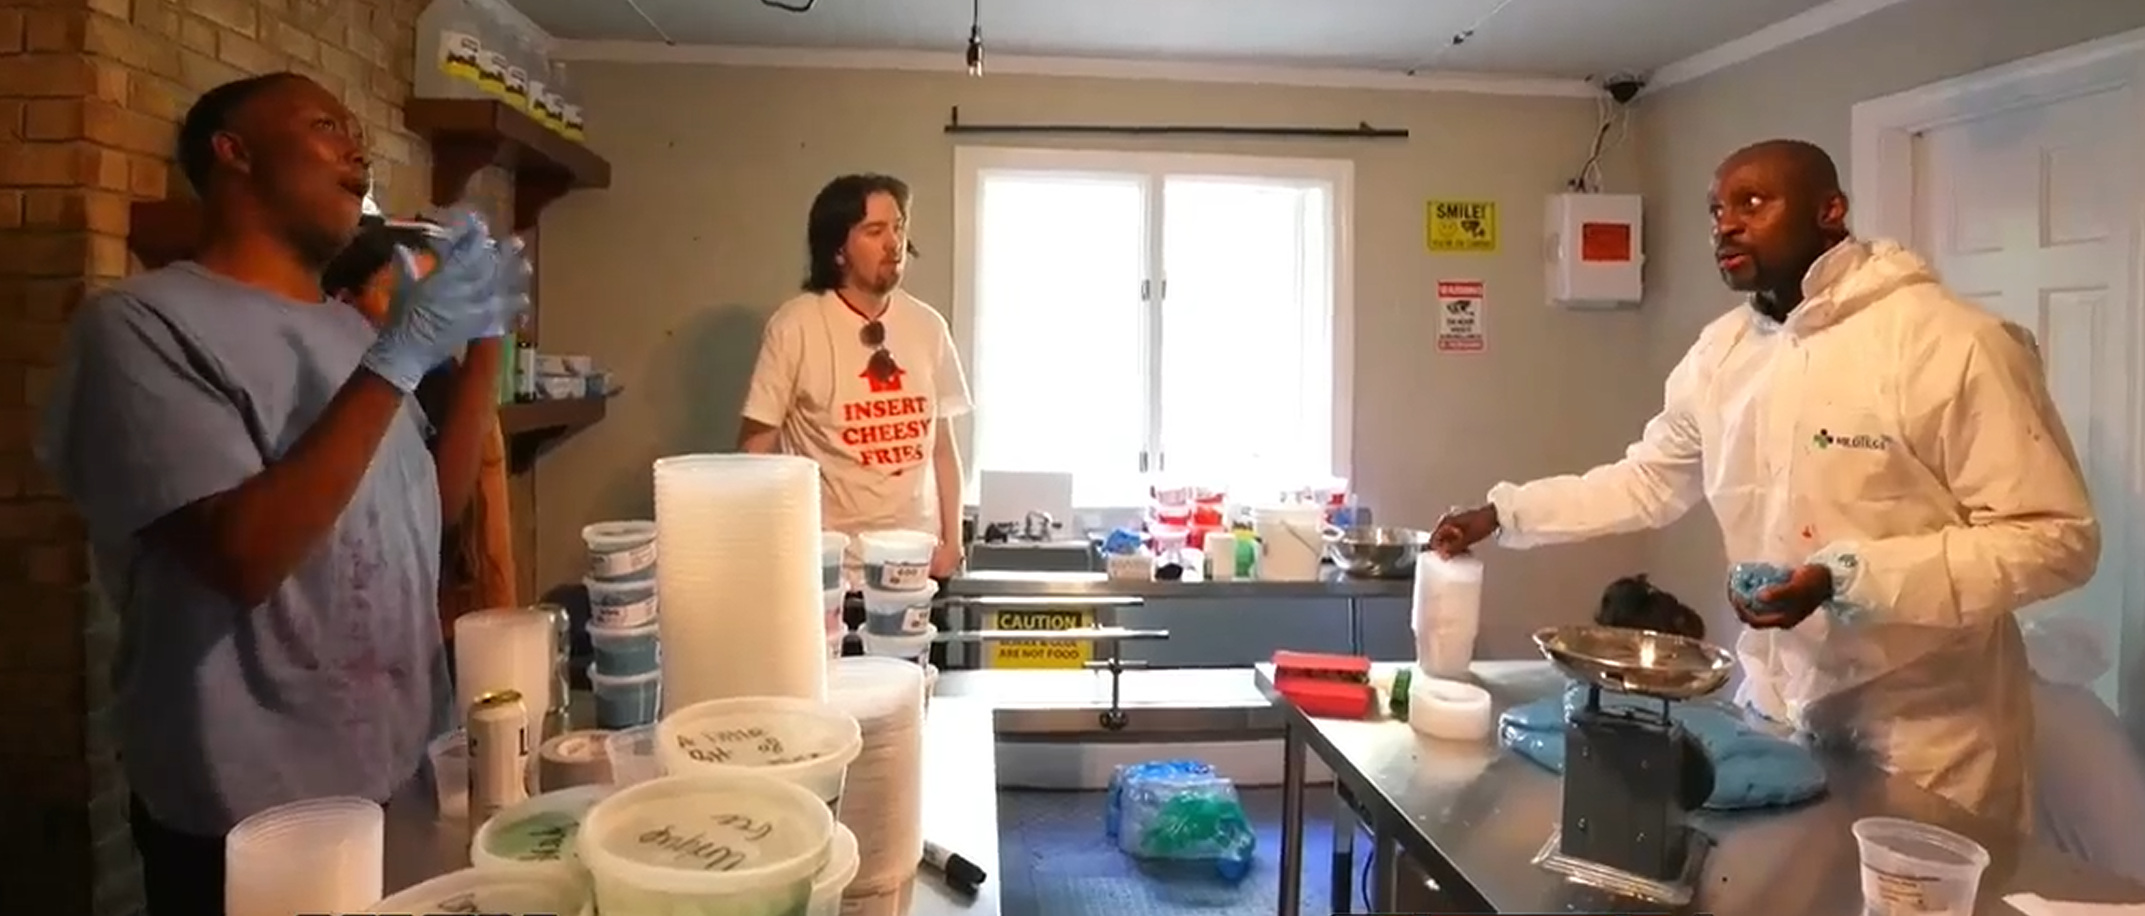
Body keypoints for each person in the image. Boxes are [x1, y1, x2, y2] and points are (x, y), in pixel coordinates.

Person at [1429, 139, 2097, 831]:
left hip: (1929, 734)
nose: (1726, 226)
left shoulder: (1947, 343)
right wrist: (1505, 513)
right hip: (1777, 709)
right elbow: (1648, 480)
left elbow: (2056, 539)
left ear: (1830, 211)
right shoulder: (1723, 354)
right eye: (1716, 211)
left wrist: (1844, 580)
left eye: (1752, 203)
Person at [35, 73, 524, 915]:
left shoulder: (347, 331)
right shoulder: (141, 325)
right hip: (252, 819)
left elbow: (423, 519)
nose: (356, 149)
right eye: (327, 125)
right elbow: (245, 555)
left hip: (398, 775)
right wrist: (398, 357)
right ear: (233, 152)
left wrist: (482, 345)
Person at [738, 174, 972, 577]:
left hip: (917, 565)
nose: (894, 244)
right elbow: (755, 451)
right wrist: (763, 552)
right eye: (875, 231)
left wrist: (953, 543)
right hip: (830, 570)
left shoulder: (928, 326)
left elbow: (942, 449)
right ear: (838, 251)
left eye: (898, 227)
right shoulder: (796, 326)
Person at [323, 217, 521, 635]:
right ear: (344, 303)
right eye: (399, 295)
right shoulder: (344, 394)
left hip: (458, 620)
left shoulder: (442, 376)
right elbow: (442, 503)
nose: (423, 315)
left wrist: (487, 333)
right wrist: (485, 349)